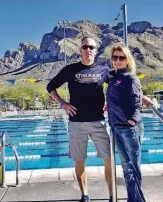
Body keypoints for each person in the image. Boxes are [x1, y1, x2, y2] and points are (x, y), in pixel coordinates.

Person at [46, 37, 112, 202]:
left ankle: (112, 195)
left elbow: (117, 86)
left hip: (98, 121)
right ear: (80, 49)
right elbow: (50, 87)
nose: (88, 50)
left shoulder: (104, 70)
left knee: (109, 159)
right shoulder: (70, 69)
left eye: (91, 47)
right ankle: (85, 195)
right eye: (85, 47)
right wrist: (62, 103)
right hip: (76, 122)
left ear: (96, 50)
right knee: (80, 160)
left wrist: (111, 103)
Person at [106, 44, 152, 202]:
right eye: (115, 58)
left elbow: (136, 100)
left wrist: (131, 120)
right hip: (116, 128)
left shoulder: (131, 77)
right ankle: (132, 199)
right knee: (126, 168)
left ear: (127, 60)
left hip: (129, 128)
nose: (117, 61)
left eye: (121, 58)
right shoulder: (114, 77)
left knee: (133, 167)